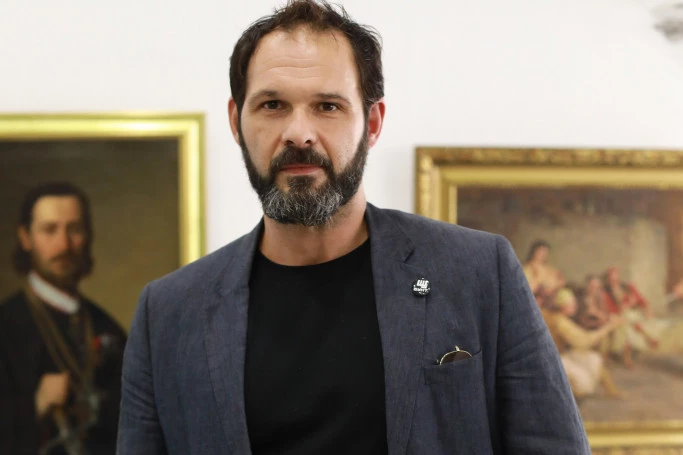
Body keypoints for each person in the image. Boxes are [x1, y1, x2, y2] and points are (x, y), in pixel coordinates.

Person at [117, 1, 590, 454]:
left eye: (327, 106)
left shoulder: (478, 272)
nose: (299, 133)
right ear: (236, 122)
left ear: (373, 122)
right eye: (272, 105)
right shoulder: (168, 313)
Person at [0, 182, 127, 455]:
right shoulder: (6, 325)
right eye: (49, 230)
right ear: (25, 237)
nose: (64, 244)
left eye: (74, 229)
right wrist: (36, 405)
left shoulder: (109, 329)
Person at [541, 288, 622, 399]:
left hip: (557, 356)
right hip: (549, 361)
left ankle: (611, 391)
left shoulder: (557, 317)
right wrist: (609, 327)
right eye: (572, 304)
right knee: (584, 385)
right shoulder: (559, 321)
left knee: (593, 359)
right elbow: (584, 341)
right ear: (563, 306)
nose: (575, 306)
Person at [522, 239, 565, 308]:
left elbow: (559, 282)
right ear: (534, 252)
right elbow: (528, 288)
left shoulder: (549, 268)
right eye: (540, 252)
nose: (543, 254)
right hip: (534, 298)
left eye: (545, 252)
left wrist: (555, 284)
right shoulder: (527, 267)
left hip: (550, 298)